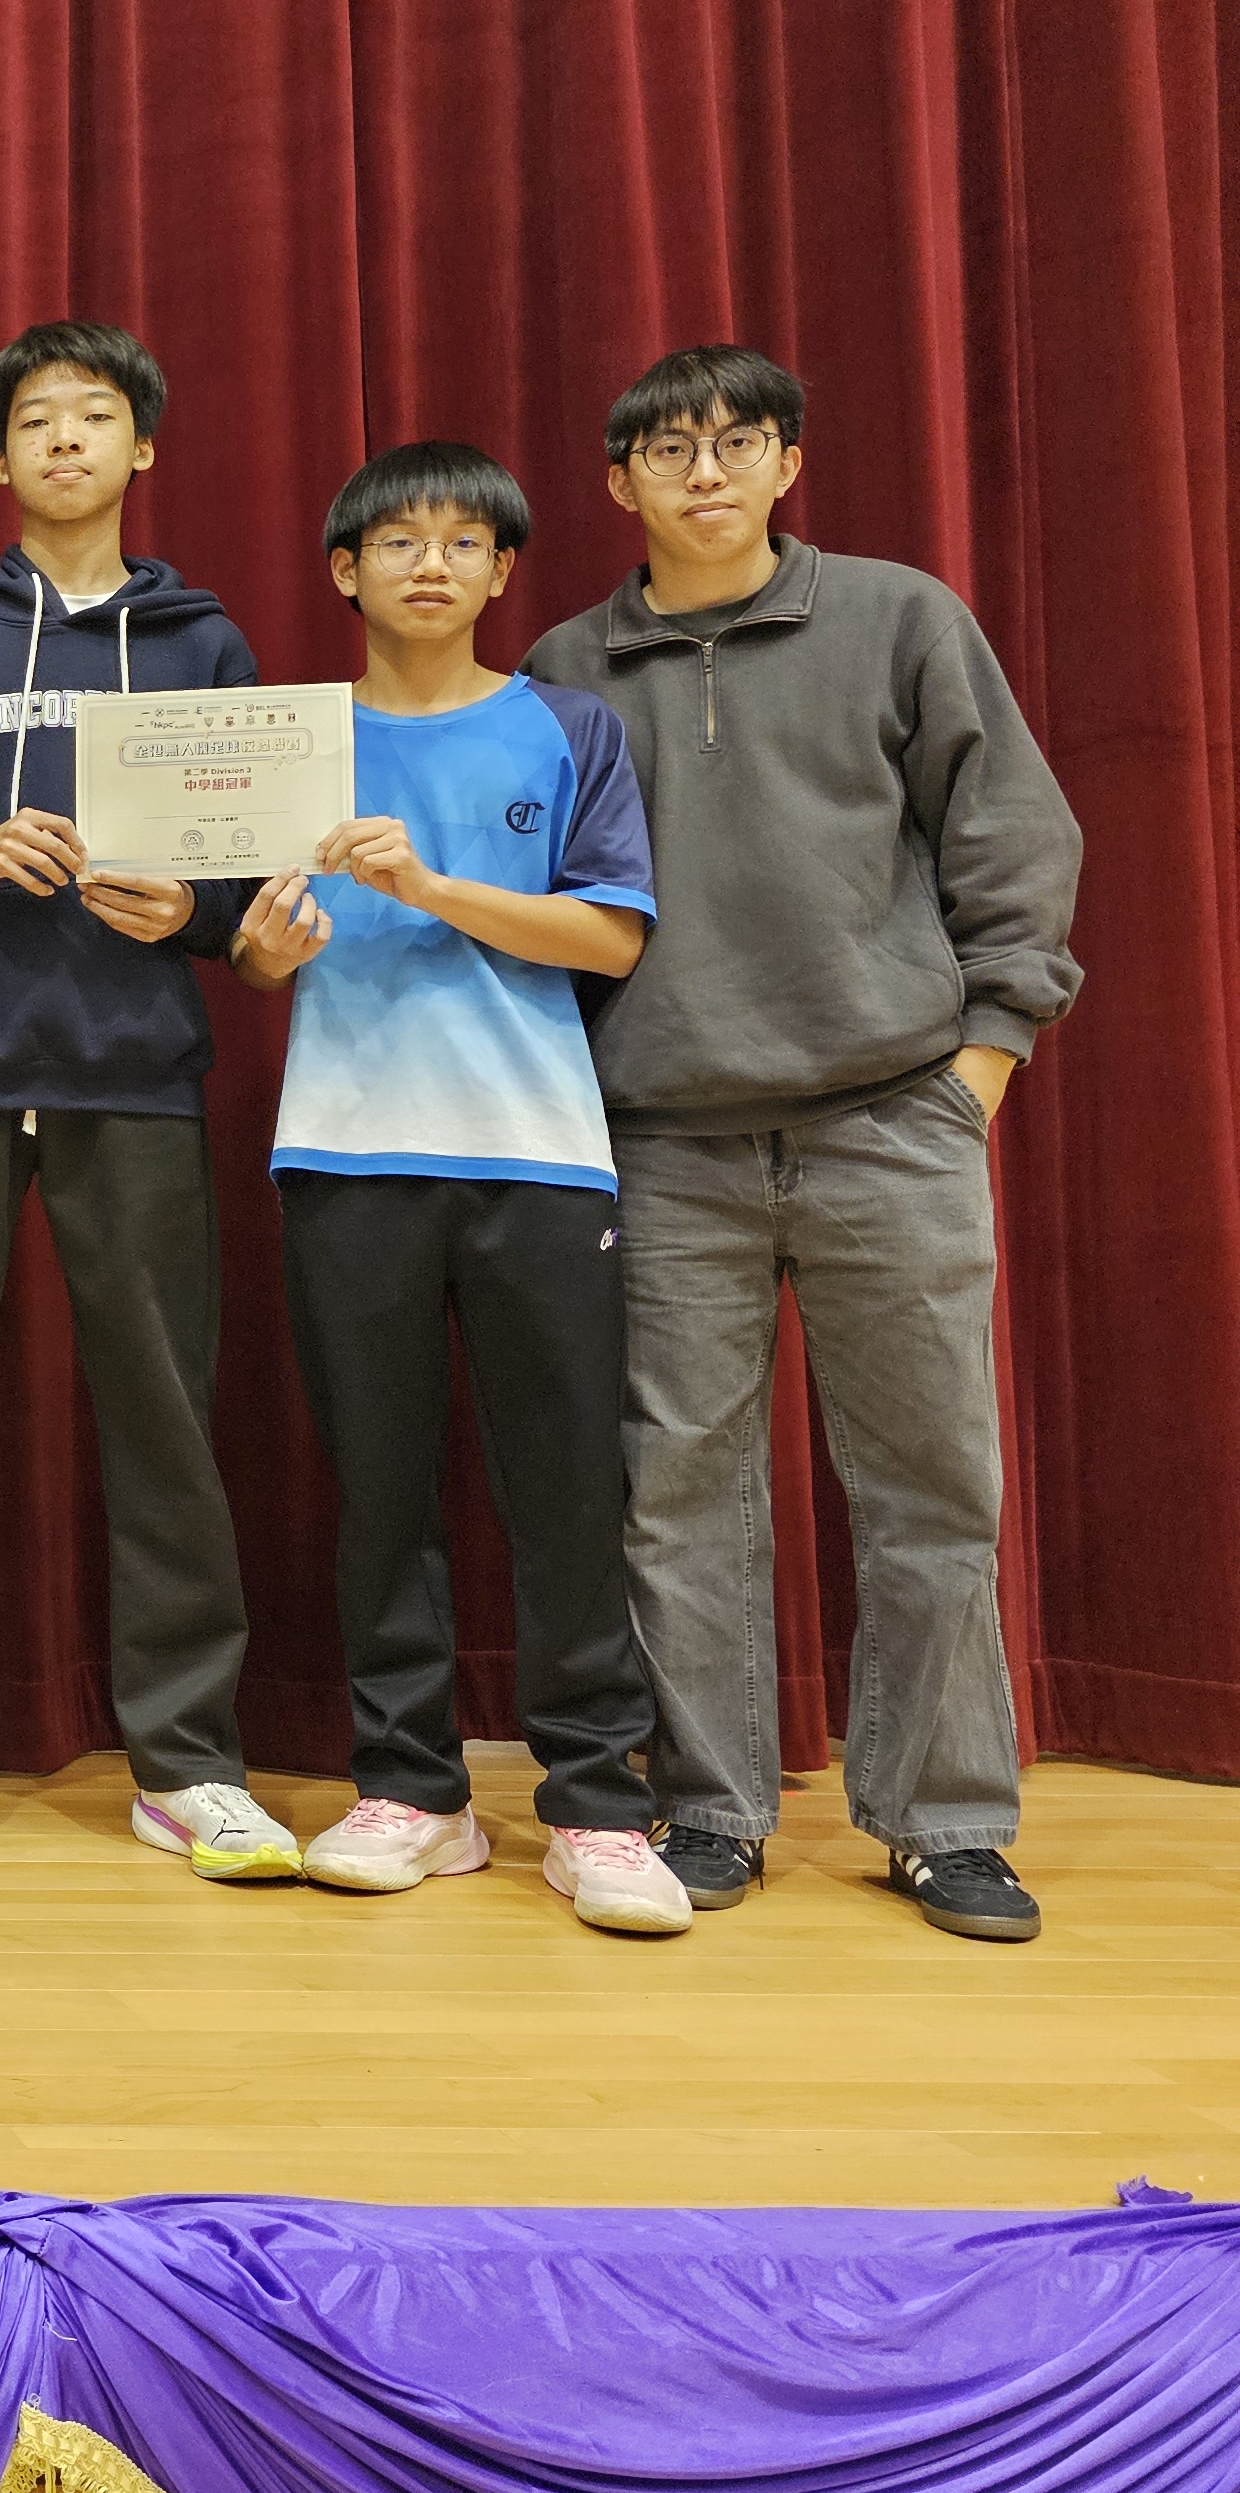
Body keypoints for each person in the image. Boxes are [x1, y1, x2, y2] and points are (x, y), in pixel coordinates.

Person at [523, 345, 1081, 1943]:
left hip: (890, 1122)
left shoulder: (902, 620)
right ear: (618, 481)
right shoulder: (565, 667)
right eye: (669, 449)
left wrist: (981, 1062)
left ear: (787, 463)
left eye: (738, 442)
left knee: (930, 1485)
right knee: (676, 1493)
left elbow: (1012, 837)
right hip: (661, 1141)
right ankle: (709, 1807)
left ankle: (947, 1821)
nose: (705, 472)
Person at [0, 321, 303, 1885]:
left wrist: (199, 917)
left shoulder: (205, 648)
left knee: (163, 1426)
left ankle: (190, 1766)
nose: (69, 440)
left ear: (142, 449)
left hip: (135, 1076)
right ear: (1, 458)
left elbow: (248, 882)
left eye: (96, 416)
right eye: (38, 419)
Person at [232, 442, 684, 1934]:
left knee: (567, 1491)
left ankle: (597, 1806)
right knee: (379, 1494)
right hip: (345, 1150)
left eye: (462, 541)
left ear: (503, 572)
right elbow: (251, 949)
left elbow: (611, 936)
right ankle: (411, 1792)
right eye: (397, 540)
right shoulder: (290, 739)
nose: (430, 564)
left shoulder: (567, 725)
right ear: (343, 570)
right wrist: (265, 952)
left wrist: (430, 888)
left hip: (535, 1152)